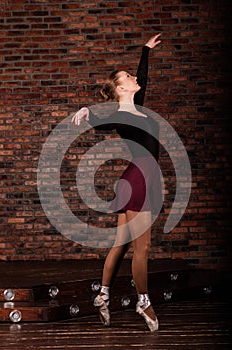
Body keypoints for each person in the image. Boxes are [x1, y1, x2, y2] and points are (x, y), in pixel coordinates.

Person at [72, 33, 162, 332]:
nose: (134, 76)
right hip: (139, 178)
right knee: (143, 247)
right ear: (121, 87)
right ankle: (144, 301)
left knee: (122, 243)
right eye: (128, 76)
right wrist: (87, 112)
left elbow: (144, 78)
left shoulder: (138, 105)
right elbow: (101, 121)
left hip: (137, 176)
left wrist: (145, 51)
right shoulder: (121, 114)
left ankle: (103, 294)